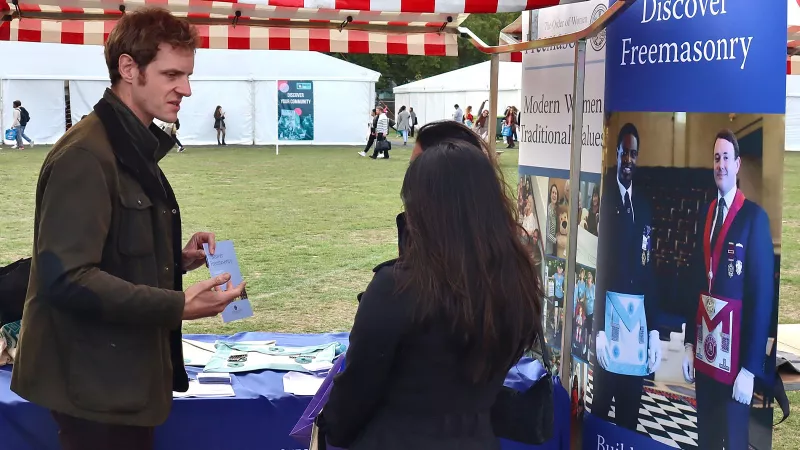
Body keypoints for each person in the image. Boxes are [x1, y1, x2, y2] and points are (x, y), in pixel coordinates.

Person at [10, 9, 246, 450]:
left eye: (188, 74)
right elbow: (67, 278)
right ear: (128, 68)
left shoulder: (128, 143)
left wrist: (176, 258)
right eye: (172, 74)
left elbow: (109, 250)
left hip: (118, 376)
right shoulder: (86, 155)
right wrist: (176, 303)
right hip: (93, 385)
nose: (187, 89)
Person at [318, 120, 545, 449]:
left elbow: (354, 393)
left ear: (422, 206)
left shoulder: (397, 286)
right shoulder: (516, 278)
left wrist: (334, 429)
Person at [682, 129, 775, 450]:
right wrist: (689, 344)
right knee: (706, 439)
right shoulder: (707, 214)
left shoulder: (754, 218)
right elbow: (697, 281)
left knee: (734, 442)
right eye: (716, 158)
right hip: (707, 358)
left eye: (726, 158)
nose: (720, 164)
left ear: (737, 165)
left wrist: (750, 368)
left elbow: (763, 300)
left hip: (736, 366)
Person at [591, 123, 661, 432]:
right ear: (616, 154)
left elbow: (649, 271)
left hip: (637, 335)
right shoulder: (603, 203)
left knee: (629, 420)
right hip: (610, 330)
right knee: (601, 415)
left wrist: (655, 330)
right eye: (624, 153)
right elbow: (596, 267)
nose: (629, 160)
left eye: (634, 154)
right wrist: (598, 329)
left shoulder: (644, 208)